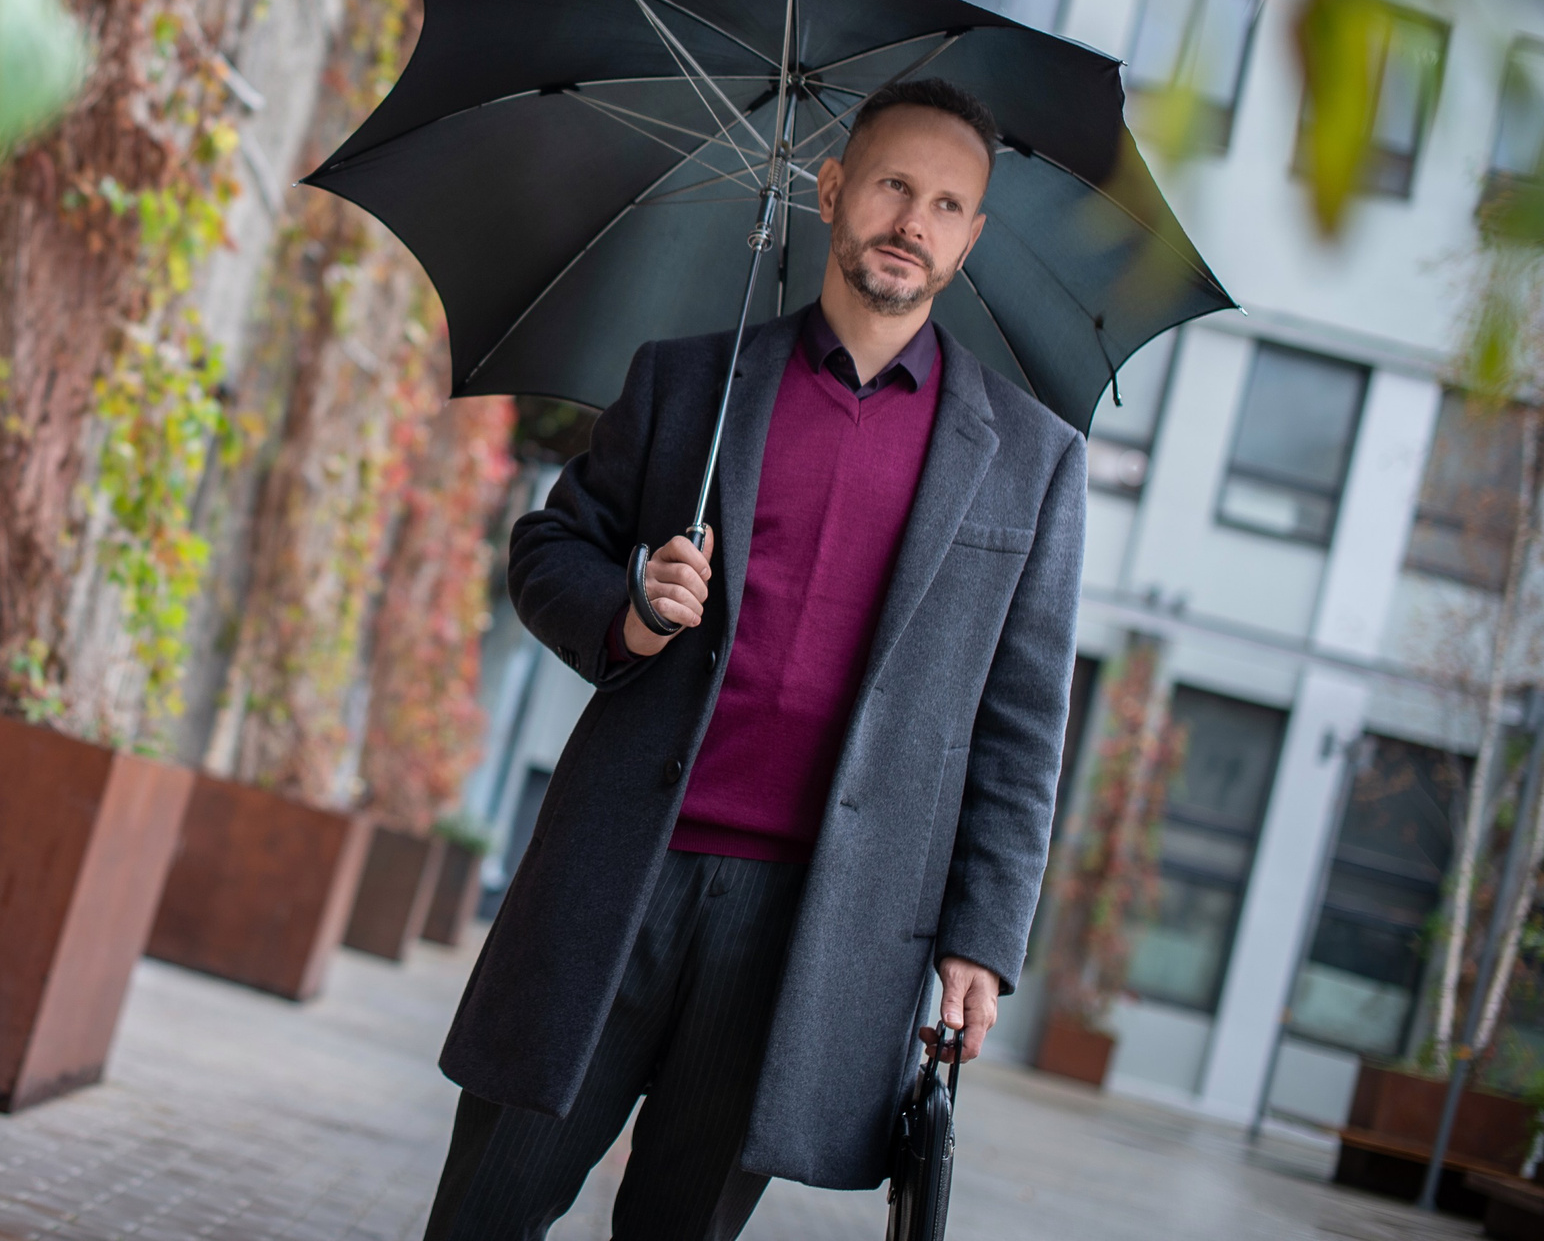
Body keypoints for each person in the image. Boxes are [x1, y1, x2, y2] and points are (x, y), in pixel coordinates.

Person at [422, 77, 1085, 1240]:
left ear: (969, 239)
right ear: (831, 191)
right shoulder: (690, 380)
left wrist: (983, 937)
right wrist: (631, 611)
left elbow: (1022, 721)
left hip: (812, 927)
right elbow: (550, 547)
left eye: (943, 204)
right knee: (487, 1210)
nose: (909, 221)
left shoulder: (1028, 459)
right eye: (889, 184)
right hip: (620, 876)